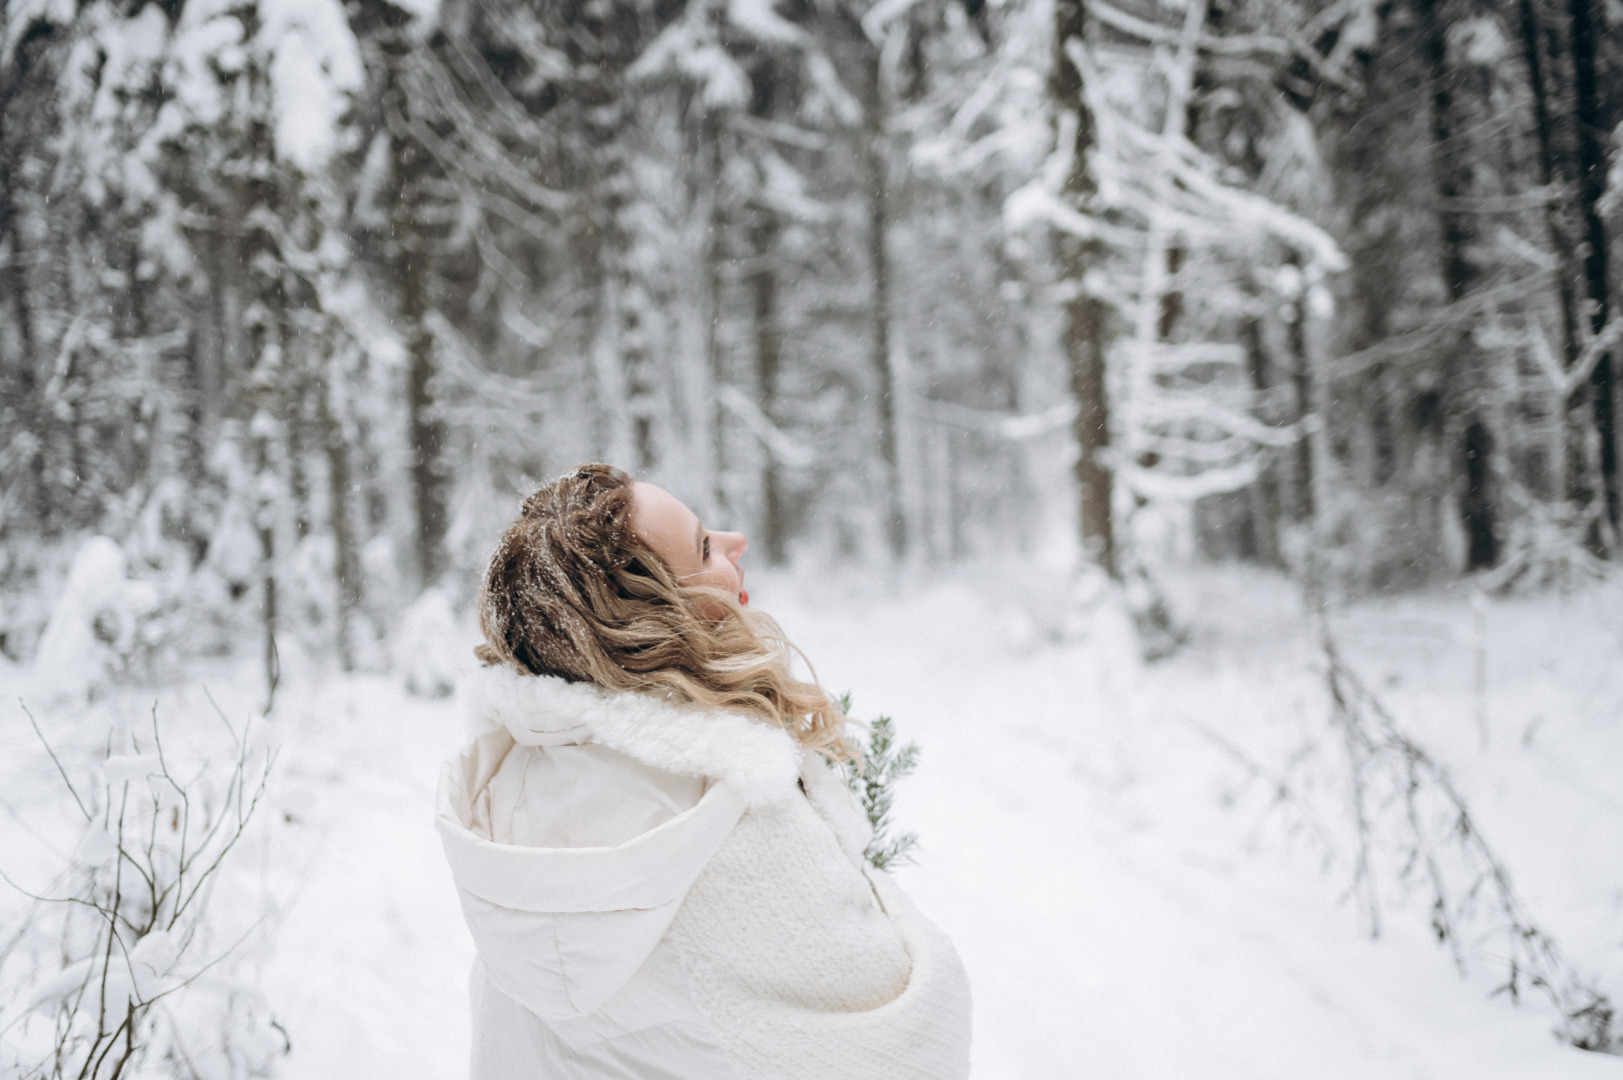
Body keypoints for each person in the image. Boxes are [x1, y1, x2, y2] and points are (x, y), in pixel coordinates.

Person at [436, 463, 972, 1079]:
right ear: (655, 619)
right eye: (704, 547)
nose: (736, 540)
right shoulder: (735, 821)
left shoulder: (513, 793)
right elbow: (909, 1041)